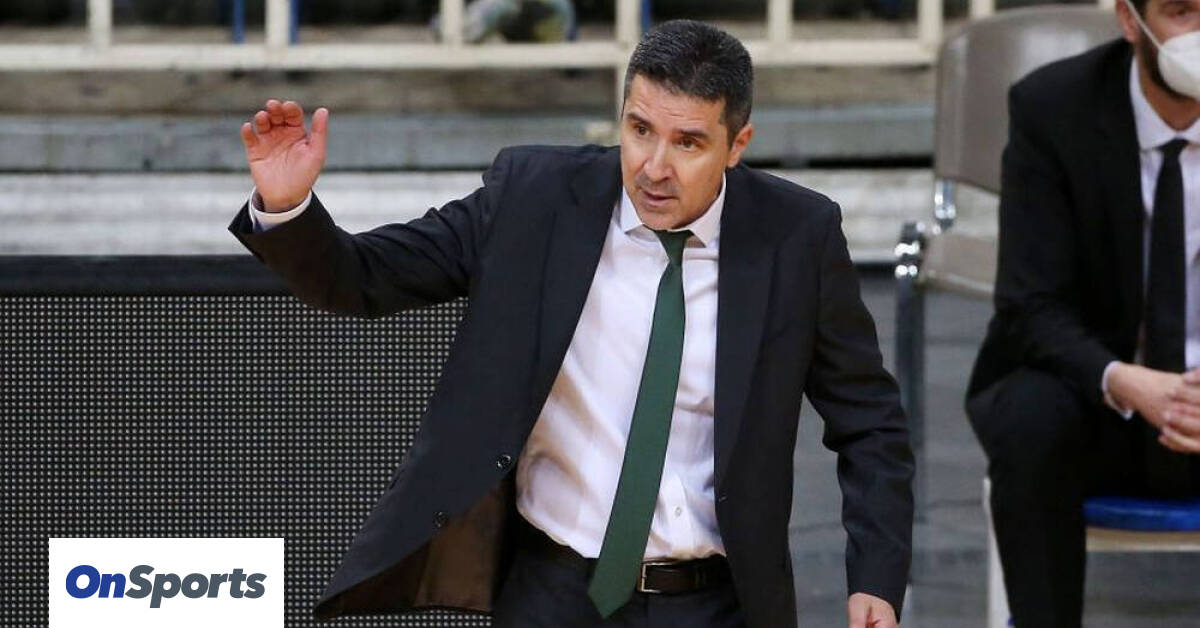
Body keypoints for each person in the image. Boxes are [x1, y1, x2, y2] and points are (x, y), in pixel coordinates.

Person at [229, 20, 913, 628]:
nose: (654, 167)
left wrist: (877, 578)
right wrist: (287, 208)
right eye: (639, 130)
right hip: (550, 590)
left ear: (738, 145)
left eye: (688, 143)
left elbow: (870, 422)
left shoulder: (797, 237)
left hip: (715, 601)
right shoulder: (534, 197)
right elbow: (363, 277)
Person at [966, 1, 1200, 626]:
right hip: (1105, 397)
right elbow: (1029, 303)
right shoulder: (1055, 109)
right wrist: (1126, 381)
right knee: (1028, 418)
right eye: (1182, 12)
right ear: (1130, 20)